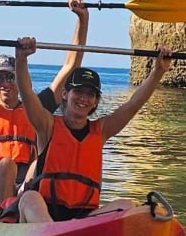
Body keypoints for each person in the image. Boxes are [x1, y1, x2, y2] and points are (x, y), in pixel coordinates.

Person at [0, 0, 89, 218]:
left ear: (19, 77)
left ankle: (27, 218)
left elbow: (71, 66)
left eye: (10, 77)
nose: (4, 83)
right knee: (6, 165)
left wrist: (82, 18)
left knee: (42, 164)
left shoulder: (37, 107)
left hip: (23, 192)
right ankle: (2, 218)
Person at [13, 35, 172, 223]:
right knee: (30, 198)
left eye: (90, 94)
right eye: (78, 92)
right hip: (45, 216)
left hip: (83, 219)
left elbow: (133, 104)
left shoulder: (101, 130)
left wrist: (158, 72)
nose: (83, 98)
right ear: (65, 94)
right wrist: (21, 60)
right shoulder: (47, 125)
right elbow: (27, 93)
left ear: (96, 101)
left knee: (127, 205)